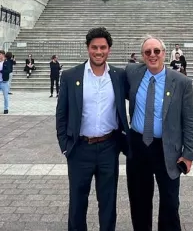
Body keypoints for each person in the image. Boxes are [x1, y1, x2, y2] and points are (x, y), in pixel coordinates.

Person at [56, 27, 129, 231]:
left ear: (109, 50)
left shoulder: (119, 76)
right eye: (95, 47)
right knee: (77, 203)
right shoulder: (71, 76)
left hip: (108, 147)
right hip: (80, 148)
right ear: (88, 48)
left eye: (103, 48)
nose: (99, 52)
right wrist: (65, 146)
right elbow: (61, 114)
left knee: (108, 202)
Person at [125, 36, 193, 231]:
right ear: (142, 56)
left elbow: (189, 121)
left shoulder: (181, 82)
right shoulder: (132, 73)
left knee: (170, 202)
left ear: (164, 53)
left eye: (156, 51)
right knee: (139, 200)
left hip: (168, 149)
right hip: (138, 147)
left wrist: (188, 154)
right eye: (147, 52)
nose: (152, 55)